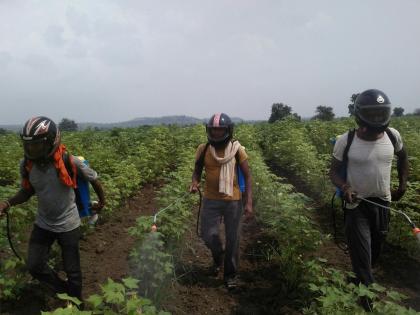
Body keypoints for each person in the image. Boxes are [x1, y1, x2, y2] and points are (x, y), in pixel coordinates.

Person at [0, 116, 105, 304]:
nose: (32, 150)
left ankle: (76, 303)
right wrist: (7, 203)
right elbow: (27, 191)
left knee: (73, 271)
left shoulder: (69, 161)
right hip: (43, 223)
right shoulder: (27, 165)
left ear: (51, 142)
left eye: (37, 145)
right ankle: (64, 291)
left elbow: (94, 180)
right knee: (34, 265)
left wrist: (101, 203)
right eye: (29, 146)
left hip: (68, 224)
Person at [329, 89, 408, 308]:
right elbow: (333, 172)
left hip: (383, 202)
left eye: (380, 113)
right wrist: (344, 186)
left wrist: (402, 184)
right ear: (360, 115)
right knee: (362, 253)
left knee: (375, 252)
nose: (376, 118)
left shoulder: (393, 136)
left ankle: (358, 278)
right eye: (371, 114)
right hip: (356, 205)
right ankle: (368, 301)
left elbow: (403, 157)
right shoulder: (347, 140)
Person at [189, 113, 253, 290]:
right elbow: (197, 170)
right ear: (209, 131)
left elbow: (247, 176)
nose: (216, 133)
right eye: (213, 130)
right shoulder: (203, 149)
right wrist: (194, 182)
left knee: (233, 239)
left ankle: (230, 276)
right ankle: (218, 257)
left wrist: (248, 203)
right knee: (208, 235)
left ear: (228, 130)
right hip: (211, 199)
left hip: (233, 201)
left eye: (220, 130)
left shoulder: (237, 150)